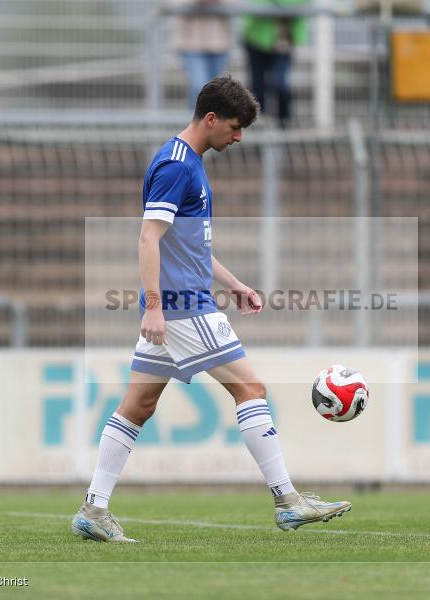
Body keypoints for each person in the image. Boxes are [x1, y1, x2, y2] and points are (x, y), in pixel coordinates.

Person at [70, 76, 351, 543]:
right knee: (251, 387)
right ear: (211, 118)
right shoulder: (177, 166)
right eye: (236, 128)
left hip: (180, 304)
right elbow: (148, 238)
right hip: (183, 308)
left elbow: (188, 245)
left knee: (137, 406)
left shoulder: (187, 162)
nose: (238, 138)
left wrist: (235, 284)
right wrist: (155, 308)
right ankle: (288, 501)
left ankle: (93, 510)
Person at [242, 0, 309, 128]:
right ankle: (259, 126)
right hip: (256, 38)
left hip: (283, 42)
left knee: (280, 85)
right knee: (258, 89)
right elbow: (254, 5)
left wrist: (279, 6)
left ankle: (284, 126)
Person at [170, 0, 233, 110]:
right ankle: (195, 122)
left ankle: (208, 123)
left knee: (217, 92)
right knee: (199, 87)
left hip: (218, 44)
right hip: (191, 44)